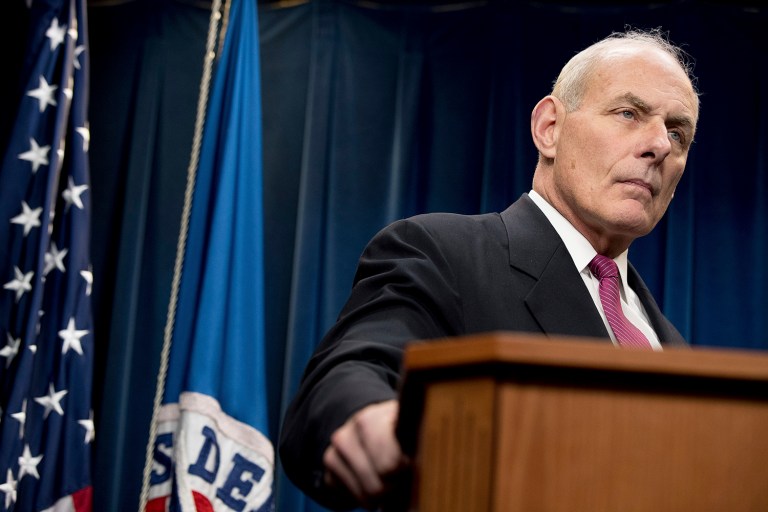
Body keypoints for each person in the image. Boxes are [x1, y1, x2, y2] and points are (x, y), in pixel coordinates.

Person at [279, 28, 699, 511]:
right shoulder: (443, 252)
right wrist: (370, 416)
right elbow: (351, 370)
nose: (659, 146)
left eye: (677, 132)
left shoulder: (667, 343)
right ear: (549, 128)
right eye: (629, 114)